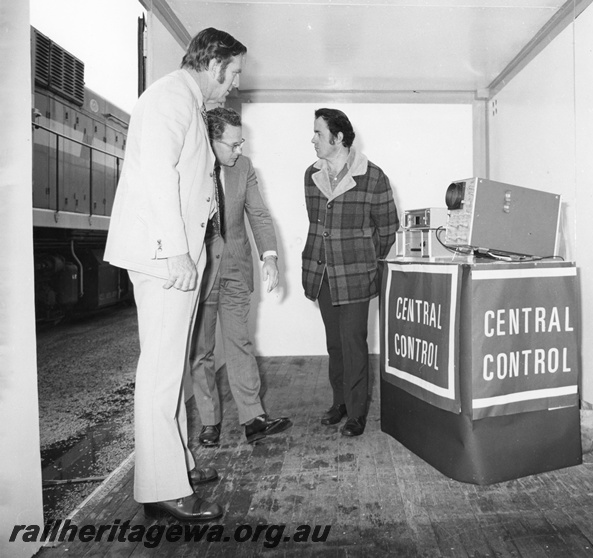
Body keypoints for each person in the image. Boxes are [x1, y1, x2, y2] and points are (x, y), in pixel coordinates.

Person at [104, 28, 247, 522]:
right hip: (165, 258)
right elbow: (158, 175)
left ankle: (176, 463)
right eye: (233, 75)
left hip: (172, 256)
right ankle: (163, 489)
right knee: (162, 375)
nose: (233, 86)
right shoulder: (171, 97)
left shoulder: (183, 99)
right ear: (214, 66)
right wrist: (177, 252)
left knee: (171, 370)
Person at [189, 107, 292, 446]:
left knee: (239, 342)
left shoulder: (244, 168)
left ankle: (253, 417)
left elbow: (259, 215)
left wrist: (270, 257)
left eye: (241, 143)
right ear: (210, 141)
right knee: (201, 351)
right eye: (231, 145)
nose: (238, 151)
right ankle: (209, 422)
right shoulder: (188, 167)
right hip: (201, 270)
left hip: (235, 266)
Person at [302, 108, 399, 437]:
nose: (313, 139)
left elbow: (388, 229)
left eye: (318, 133)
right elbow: (317, 224)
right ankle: (340, 402)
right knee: (335, 343)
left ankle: (357, 412)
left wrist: (367, 259)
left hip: (356, 274)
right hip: (323, 272)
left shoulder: (373, 177)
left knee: (354, 342)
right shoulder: (310, 175)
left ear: (337, 137)